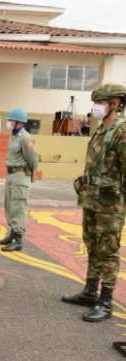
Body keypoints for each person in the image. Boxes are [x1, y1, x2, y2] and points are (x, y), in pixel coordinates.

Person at [62, 83, 126, 322]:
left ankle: (106, 300)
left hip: (110, 203)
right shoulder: (101, 130)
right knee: (91, 244)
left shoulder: (122, 131)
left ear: (115, 104)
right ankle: (90, 291)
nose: (96, 107)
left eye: (100, 103)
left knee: (107, 250)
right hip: (92, 199)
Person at [0, 109, 38, 252]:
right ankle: (11, 234)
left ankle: (18, 239)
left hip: (20, 176)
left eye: (11, 120)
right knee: (9, 206)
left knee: (18, 207)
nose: (9, 122)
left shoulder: (26, 138)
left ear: (19, 122)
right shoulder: (13, 136)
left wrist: (29, 176)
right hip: (11, 175)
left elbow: (32, 159)